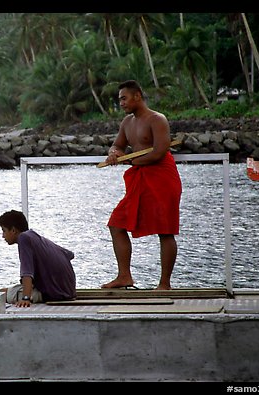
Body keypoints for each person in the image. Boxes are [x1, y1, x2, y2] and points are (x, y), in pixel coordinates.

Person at [101, 80, 182, 290]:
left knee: (165, 230)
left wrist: (129, 160)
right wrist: (114, 153)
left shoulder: (157, 119)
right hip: (139, 177)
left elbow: (159, 152)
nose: (121, 103)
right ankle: (124, 276)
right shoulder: (127, 123)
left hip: (162, 178)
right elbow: (117, 145)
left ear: (137, 96)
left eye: (124, 98)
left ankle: (165, 284)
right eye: (119, 99)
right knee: (116, 224)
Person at [0, 210, 77, 307]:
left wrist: (26, 298)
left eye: (4, 231)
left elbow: (27, 273)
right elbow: (70, 254)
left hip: (54, 294)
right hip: (69, 291)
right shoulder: (35, 237)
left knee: (1, 294)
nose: (3, 236)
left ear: (13, 230)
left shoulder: (23, 238)